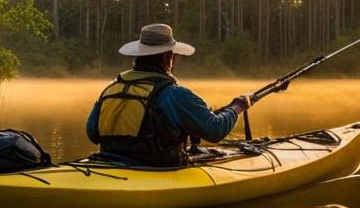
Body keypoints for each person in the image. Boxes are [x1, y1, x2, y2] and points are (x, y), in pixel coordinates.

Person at [87, 23, 251, 166]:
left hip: (109, 162)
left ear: (138, 57)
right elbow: (215, 130)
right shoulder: (175, 94)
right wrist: (237, 107)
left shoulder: (110, 89)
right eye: (174, 56)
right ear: (168, 58)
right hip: (156, 168)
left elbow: (92, 133)